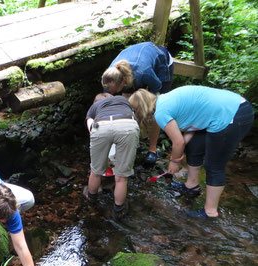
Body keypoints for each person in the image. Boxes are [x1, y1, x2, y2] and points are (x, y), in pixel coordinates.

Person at [129, 86, 254, 219]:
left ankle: (210, 212)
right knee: (194, 146)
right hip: (230, 107)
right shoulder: (164, 100)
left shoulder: (161, 113)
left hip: (233, 113)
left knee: (214, 165)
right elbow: (192, 125)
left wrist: (174, 161)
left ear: (140, 110)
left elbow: (179, 143)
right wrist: (178, 152)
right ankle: (191, 186)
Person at [101, 42, 174, 165]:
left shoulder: (144, 73)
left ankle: (152, 149)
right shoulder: (111, 75)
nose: (111, 93)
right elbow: (107, 103)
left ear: (123, 83)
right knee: (126, 106)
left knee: (155, 110)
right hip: (133, 69)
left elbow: (156, 88)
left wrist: (144, 110)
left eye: (114, 91)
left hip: (162, 62)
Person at [84, 93, 140, 220]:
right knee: (122, 177)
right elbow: (135, 119)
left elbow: (91, 129)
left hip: (102, 125)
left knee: (95, 171)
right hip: (128, 124)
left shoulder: (94, 107)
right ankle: (118, 209)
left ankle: (91, 198)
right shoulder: (123, 100)